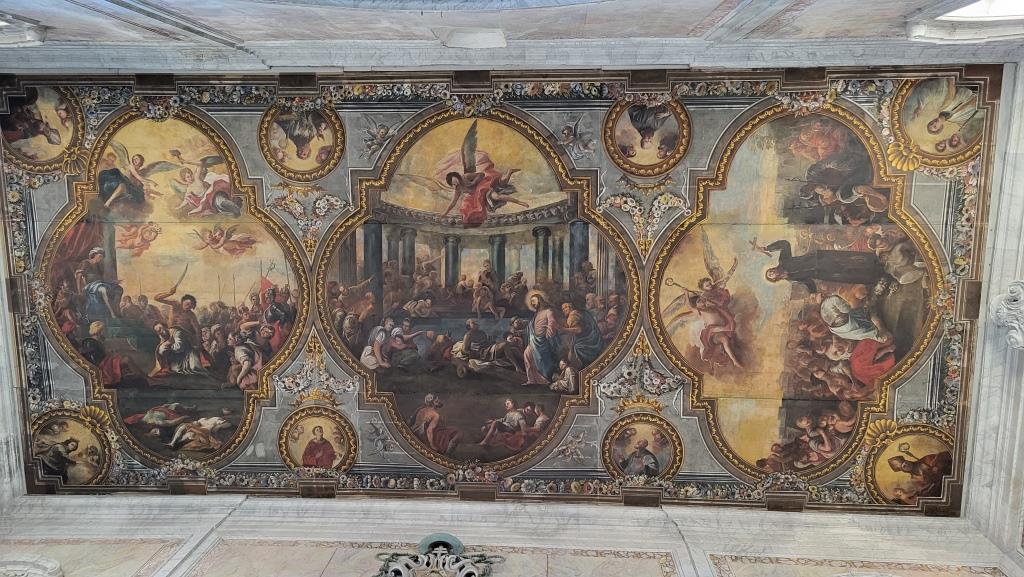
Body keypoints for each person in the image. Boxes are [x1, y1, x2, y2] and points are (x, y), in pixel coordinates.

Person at [757, 239, 887, 293]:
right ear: (775, 279)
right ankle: (876, 276)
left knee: (848, 260)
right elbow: (808, 281)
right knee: (847, 274)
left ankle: (876, 262)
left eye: (770, 271)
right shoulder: (790, 279)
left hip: (819, 259)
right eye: (771, 275)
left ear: (772, 268)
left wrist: (768, 248)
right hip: (822, 273)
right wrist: (813, 293)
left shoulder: (783, 261)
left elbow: (785, 244)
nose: (772, 273)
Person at [75, 247, 123, 319]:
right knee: (103, 289)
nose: (101, 258)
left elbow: (101, 280)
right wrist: (79, 291)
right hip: (90, 286)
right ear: (94, 255)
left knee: (118, 289)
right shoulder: (86, 263)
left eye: (102, 257)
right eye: (100, 256)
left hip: (99, 284)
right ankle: (112, 313)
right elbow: (79, 276)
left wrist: (112, 282)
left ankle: (117, 309)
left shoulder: (98, 266)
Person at [523, 291, 560, 385]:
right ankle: (531, 380)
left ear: (539, 301)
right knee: (527, 355)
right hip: (533, 340)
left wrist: (549, 330)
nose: (532, 303)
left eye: (534, 301)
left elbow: (552, 322)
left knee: (542, 361)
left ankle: (543, 380)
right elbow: (531, 325)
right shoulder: (536, 314)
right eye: (531, 302)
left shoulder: (548, 311)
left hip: (543, 340)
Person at [888, 450, 953, 498]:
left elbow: (946, 455)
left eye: (906, 462)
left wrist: (937, 465)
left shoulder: (925, 460)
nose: (907, 465)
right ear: (903, 471)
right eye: (904, 466)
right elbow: (924, 492)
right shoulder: (914, 479)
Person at [561, 300, 604, 369]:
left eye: (565, 307)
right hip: (594, 337)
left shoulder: (573, 315)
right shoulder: (582, 312)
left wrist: (563, 329)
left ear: (570, 307)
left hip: (588, 340)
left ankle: (586, 366)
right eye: (563, 309)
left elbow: (578, 330)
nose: (564, 310)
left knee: (576, 349)